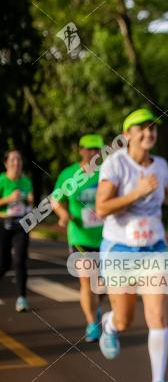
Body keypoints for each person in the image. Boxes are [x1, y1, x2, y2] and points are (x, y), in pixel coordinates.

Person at [95, 108, 168, 382]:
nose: (148, 134)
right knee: (125, 320)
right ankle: (110, 325)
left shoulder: (160, 165)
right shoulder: (115, 165)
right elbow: (101, 208)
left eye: (152, 129)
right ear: (127, 136)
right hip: (120, 250)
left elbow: (164, 189)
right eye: (142, 129)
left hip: (154, 248)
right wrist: (136, 192)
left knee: (157, 316)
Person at [52, 134, 107, 341]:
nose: (93, 153)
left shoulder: (106, 172)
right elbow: (56, 199)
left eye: (97, 150)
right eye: (89, 149)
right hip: (79, 236)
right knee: (86, 280)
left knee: (102, 284)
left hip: (106, 237)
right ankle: (92, 323)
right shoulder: (69, 174)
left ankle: (97, 306)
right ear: (81, 150)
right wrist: (63, 214)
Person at [0, 149, 35, 313]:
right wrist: (9, 199)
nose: (16, 163)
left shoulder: (26, 181)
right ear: (6, 163)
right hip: (3, 224)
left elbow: (30, 204)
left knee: (20, 260)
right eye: (13, 160)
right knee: (4, 263)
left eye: (19, 160)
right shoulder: (1, 180)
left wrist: (29, 203)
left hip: (21, 224)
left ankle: (22, 298)